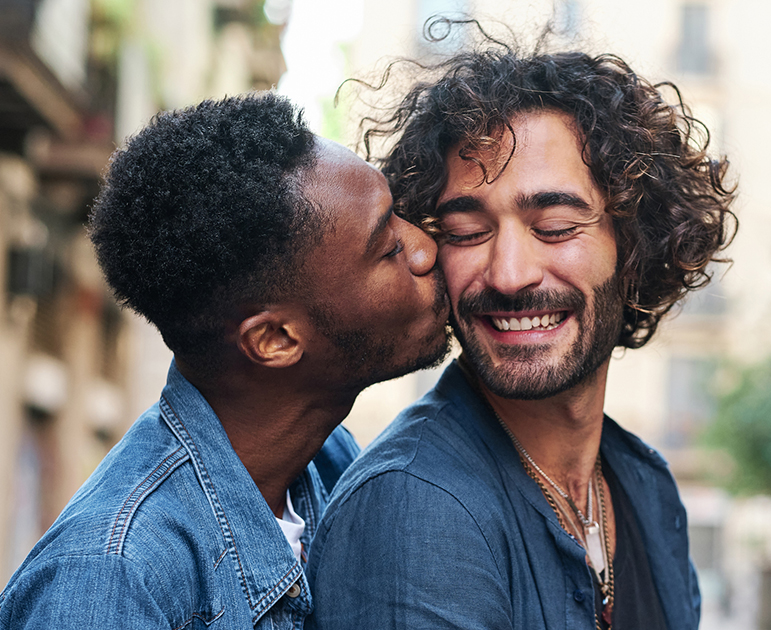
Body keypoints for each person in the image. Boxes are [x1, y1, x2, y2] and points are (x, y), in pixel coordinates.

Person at [306, 43, 736, 630]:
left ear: (634, 249)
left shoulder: (645, 485)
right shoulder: (413, 505)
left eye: (554, 228)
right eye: (467, 231)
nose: (509, 274)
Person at [0, 92, 450, 629]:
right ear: (275, 340)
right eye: (389, 247)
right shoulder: (110, 579)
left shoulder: (330, 464)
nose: (426, 247)